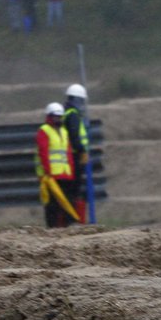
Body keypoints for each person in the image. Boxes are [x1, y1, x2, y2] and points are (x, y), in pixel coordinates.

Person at [35, 102, 77, 228]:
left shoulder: (64, 132)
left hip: (65, 174)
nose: (58, 119)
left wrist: (71, 171)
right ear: (49, 117)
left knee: (68, 201)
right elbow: (43, 152)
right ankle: (52, 227)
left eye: (60, 117)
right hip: (52, 175)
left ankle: (68, 225)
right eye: (55, 117)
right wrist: (48, 172)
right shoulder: (44, 131)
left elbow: (68, 152)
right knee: (52, 204)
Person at [62, 84, 90, 222]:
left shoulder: (66, 113)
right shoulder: (72, 115)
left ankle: (70, 220)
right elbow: (74, 137)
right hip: (74, 157)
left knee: (71, 190)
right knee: (75, 190)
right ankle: (72, 220)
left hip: (70, 157)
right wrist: (82, 151)